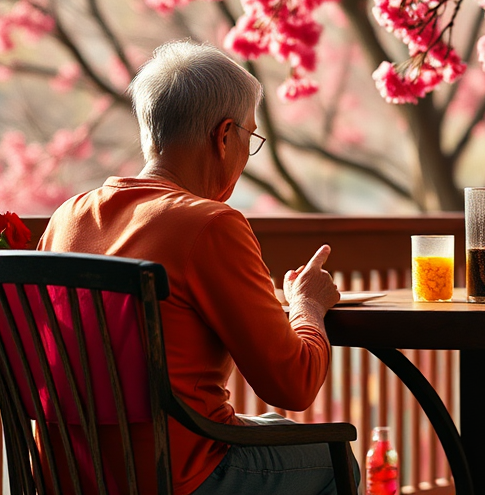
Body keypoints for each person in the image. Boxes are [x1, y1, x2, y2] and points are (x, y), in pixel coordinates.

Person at [38, 40, 356, 495]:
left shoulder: (68, 217)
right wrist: (306, 306)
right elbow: (294, 384)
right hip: (174, 479)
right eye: (251, 138)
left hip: (63, 476)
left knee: (267, 425)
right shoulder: (209, 226)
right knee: (333, 458)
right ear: (224, 136)